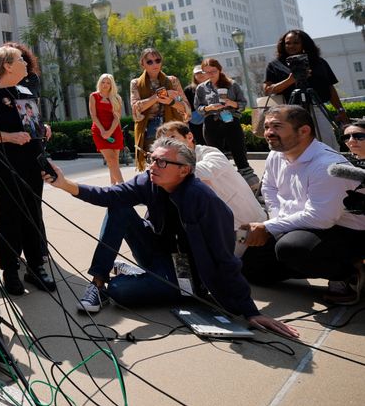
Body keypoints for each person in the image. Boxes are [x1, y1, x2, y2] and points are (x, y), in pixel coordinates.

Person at [42, 139, 298, 338]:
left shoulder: (203, 200)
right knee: (119, 207)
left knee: (120, 291)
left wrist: (250, 311)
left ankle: (132, 277)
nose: (152, 166)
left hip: (186, 272)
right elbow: (108, 195)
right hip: (157, 251)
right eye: (152, 160)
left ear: (185, 170)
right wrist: (65, 184)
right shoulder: (148, 181)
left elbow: (224, 256)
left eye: (161, 162)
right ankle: (97, 285)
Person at [241, 106, 365, 305]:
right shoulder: (276, 154)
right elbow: (269, 188)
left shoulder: (326, 165)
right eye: (266, 127)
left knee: (292, 248)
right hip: (303, 222)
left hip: (346, 230)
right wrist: (277, 221)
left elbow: (321, 217)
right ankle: (310, 261)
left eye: (277, 126)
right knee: (252, 269)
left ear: (304, 131)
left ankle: (347, 272)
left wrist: (271, 228)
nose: (268, 133)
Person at [0, 44, 56, 296]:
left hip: (31, 160)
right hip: (5, 163)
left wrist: (42, 136)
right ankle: (10, 271)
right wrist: (9, 137)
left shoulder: (25, 90)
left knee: (33, 213)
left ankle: (36, 267)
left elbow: (33, 126)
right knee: (10, 215)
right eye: (20, 60)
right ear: (7, 66)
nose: (26, 63)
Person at [155, 121, 266, 256]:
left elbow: (205, 171)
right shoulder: (177, 166)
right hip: (219, 231)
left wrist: (167, 169)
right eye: (163, 142)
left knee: (232, 267)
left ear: (189, 137)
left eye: (172, 138)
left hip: (248, 230)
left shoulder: (212, 154)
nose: (168, 145)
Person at [263, 29, 348, 148]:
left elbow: (330, 88)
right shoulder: (275, 65)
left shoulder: (318, 62)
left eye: (296, 43)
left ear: (304, 44)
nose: (291, 46)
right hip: (290, 113)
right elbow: (268, 90)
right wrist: (290, 80)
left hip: (317, 108)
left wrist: (341, 110)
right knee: (297, 146)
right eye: (288, 43)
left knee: (327, 144)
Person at [193, 58, 259, 188]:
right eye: (207, 72)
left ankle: (252, 186)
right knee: (216, 156)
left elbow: (243, 104)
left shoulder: (231, 84)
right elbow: (198, 108)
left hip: (230, 120)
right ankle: (224, 186)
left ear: (219, 70)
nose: (210, 74)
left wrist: (231, 103)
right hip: (211, 122)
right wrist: (208, 108)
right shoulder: (201, 88)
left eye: (213, 71)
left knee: (239, 153)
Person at [130, 48, 190, 171]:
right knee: (155, 165)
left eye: (157, 60)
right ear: (142, 64)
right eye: (150, 62)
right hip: (150, 128)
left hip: (173, 127)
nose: (155, 64)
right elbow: (136, 108)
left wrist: (172, 101)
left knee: (177, 163)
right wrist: (159, 96)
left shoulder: (172, 81)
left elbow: (186, 108)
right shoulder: (136, 83)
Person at [89, 73, 125, 184]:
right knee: (110, 159)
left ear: (111, 85)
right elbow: (93, 115)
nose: (105, 85)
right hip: (99, 131)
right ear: (99, 83)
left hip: (114, 131)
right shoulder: (94, 96)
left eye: (108, 83)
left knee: (114, 162)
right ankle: (124, 187)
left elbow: (117, 117)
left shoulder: (117, 98)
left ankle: (113, 187)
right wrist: (103, 131)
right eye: (103, 82)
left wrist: (109, 132)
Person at [183, 64, 208, 145]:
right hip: (195, 121)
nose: (200, 75)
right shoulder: (188, 89)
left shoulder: (212, 86)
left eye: (202, 72)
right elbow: (184, 103)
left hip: (210, 117)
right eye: (197, 73)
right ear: (194, 76)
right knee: (200, 142)